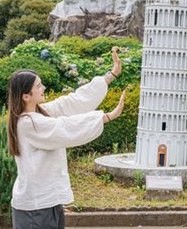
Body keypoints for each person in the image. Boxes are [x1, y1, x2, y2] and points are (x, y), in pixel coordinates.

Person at [7, 47, 125, 229]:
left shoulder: (42, 112)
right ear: (25, 96)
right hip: (35, 209)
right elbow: (63, 128)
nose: (44, 88)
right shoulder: (28, 123)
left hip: (48, 203)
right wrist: (106, 116)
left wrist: (111, 75)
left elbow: (71, 102)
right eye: (38, 86)